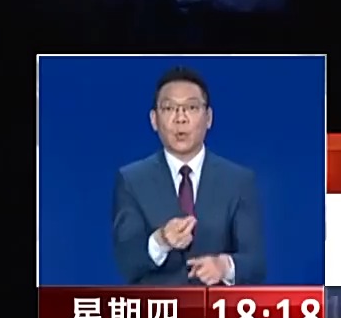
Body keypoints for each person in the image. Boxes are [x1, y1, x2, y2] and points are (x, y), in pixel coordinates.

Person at [111, 67, 266, 285]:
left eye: (191, 107)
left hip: (216, 305)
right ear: (154, 119)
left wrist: (225, 266)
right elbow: (128, 262)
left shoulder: (239, 181)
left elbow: (256, 264)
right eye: (169, 108)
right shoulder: (131, 180)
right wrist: (161, 240)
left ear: (208, 118)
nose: (180, 118)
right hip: (160, 306)